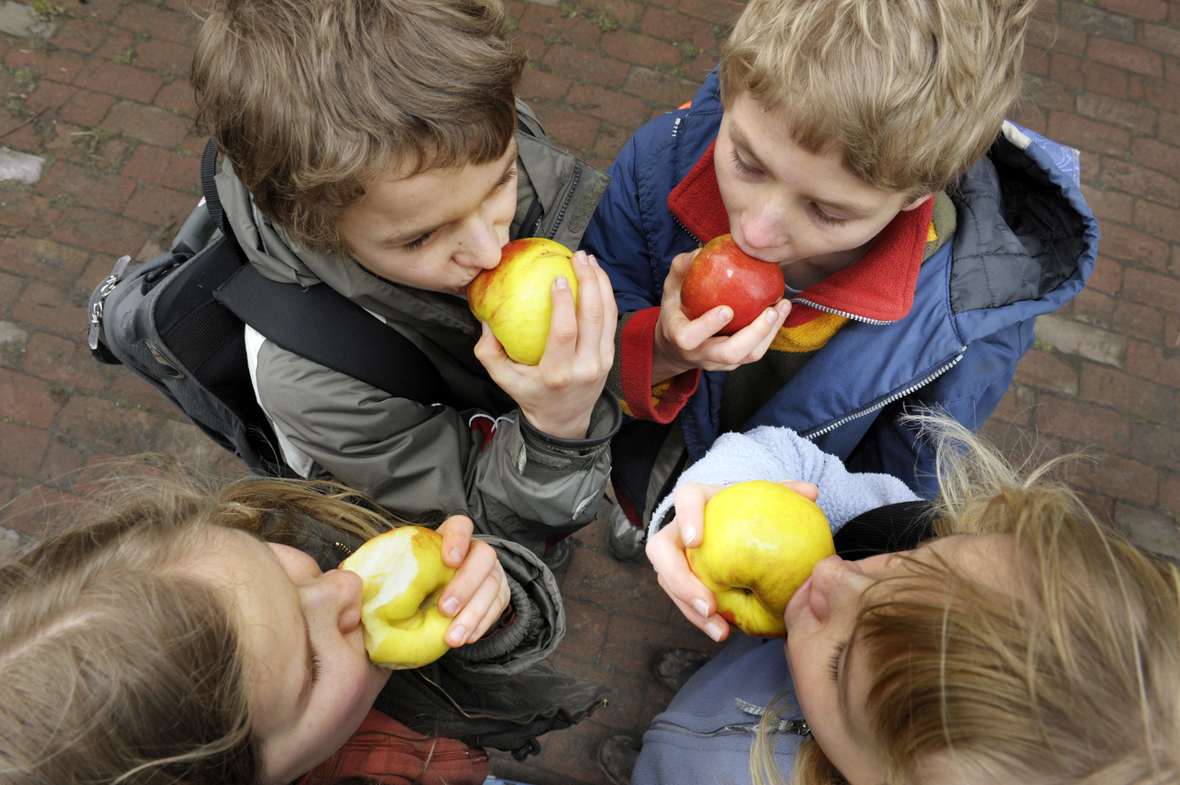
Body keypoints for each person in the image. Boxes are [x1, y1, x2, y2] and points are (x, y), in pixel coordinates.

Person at [580, 0, 1099, 559]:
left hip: (777, 537)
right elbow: (591, 324)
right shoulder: (661, 162)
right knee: (649, 506)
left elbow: (900, 492)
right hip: (648, 455)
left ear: (918, 195)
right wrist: (661, 349)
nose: (755, 231)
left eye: (827, 212)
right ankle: (649, 512)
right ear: (732, 96)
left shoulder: (966, 324)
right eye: (747, 164)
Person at [191, 0, 620, 559]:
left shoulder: (454, 121)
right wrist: (557, 432)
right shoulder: (314, 381)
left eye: (502, 181)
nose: (490, 252)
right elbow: (473, 524)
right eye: (420, 238)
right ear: (314, 229)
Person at [594, 416, 1180, 785]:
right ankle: (698, 684)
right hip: (745, 668)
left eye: (842, 661)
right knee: (740, 657)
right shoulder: (903, 525)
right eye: (909, 563)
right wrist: (725, 497)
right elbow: (792, 459)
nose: (833, 576)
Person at [0, 458, 610, 784]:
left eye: (274, 564)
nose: (341, 584)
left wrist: (488, 609)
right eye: (312, 670)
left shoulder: (296, 538)